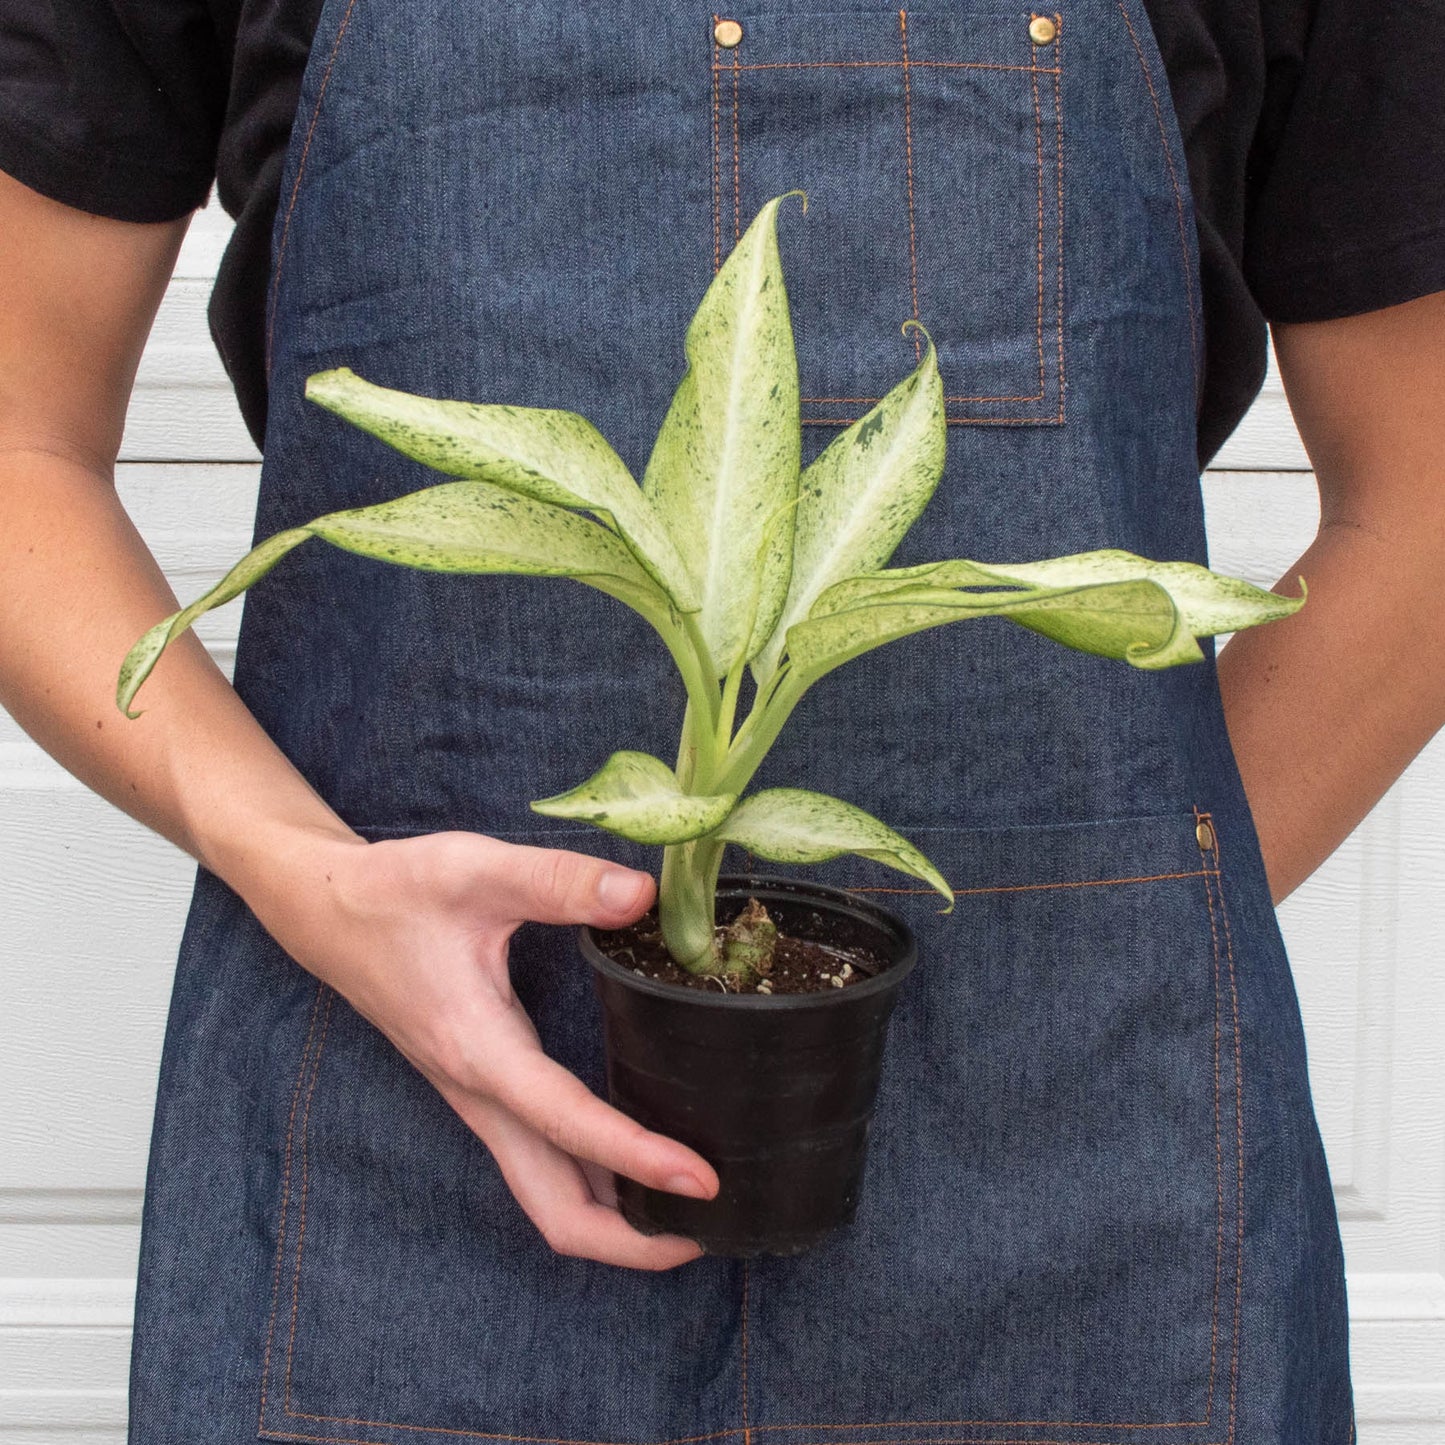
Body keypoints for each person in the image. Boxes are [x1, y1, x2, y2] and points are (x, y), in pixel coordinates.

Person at [0, 1, 1441, 1441]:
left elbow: (1423, 504)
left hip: (1084, 1170)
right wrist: (303, 872)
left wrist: (1106, 924)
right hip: (400, 1166)